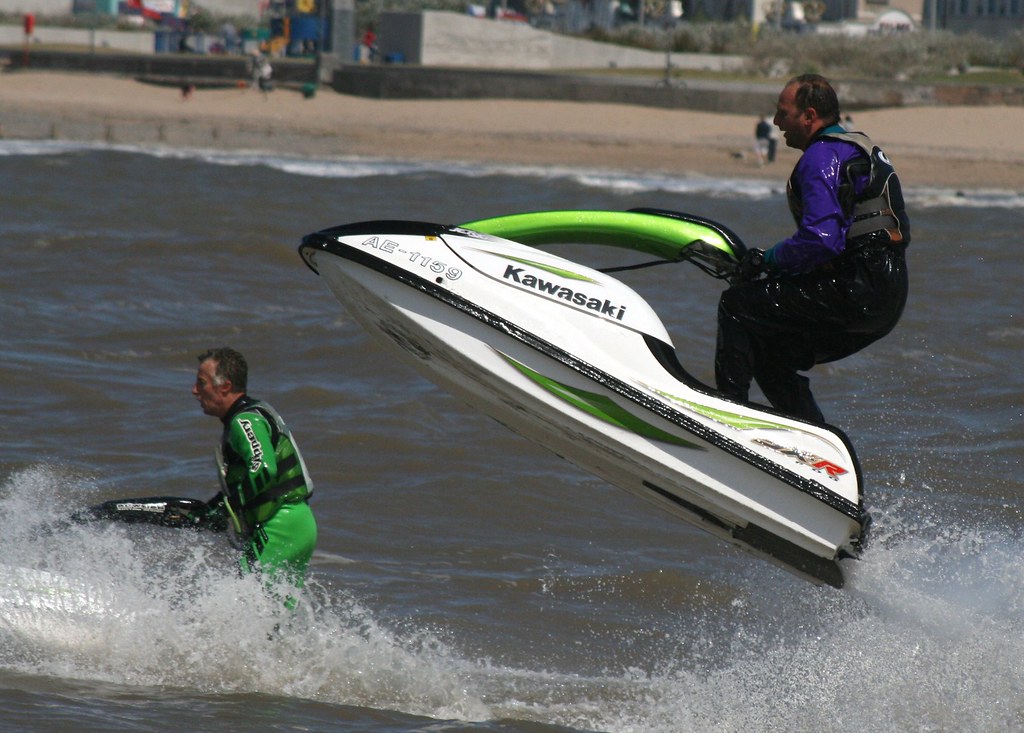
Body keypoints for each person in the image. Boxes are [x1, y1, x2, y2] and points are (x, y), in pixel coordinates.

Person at [714, 74, 910, 424]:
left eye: (782, 113)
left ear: (809, 115)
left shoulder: (822, 157)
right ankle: (815, 449)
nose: (776, 122)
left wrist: (768, 260)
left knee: (737, 305)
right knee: (768, 352)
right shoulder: (855, 147)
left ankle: (727, 419)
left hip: (858, 287)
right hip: (887, 294)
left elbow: (821, 239)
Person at [192, 347, 317, 599]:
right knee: (273, 617)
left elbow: (263, 469)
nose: (195, 390)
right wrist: (217, 504)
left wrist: (229, 507)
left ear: (225, 387)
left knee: (246, 601)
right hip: (296, 523)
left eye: (201, 383)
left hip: (282, 524)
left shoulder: (245, 421)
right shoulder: (253, 413)